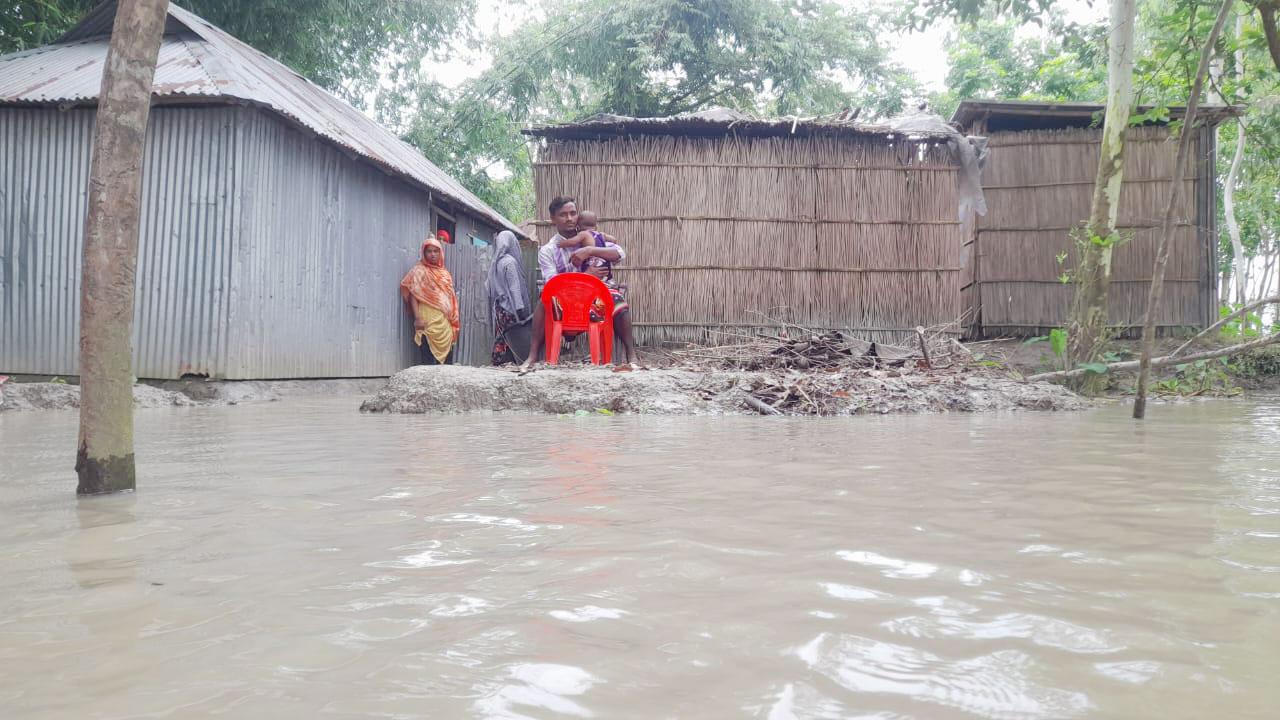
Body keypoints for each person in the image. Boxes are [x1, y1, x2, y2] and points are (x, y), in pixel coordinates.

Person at [521, 196, 640, 369]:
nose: (569, 218)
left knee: (619, 303)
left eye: (573, 213)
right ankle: (532, 356)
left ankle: (631, 353)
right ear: (553, 219)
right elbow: (552, 283)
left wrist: (590, 249)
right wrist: (586, 276)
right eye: (563, 215)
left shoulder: (593, 238)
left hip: (596, 302)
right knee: (544, 301)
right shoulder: (548, 250)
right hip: (564, 302)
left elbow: (619, 253)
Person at [400, 236, 460, 365]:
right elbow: (413, 296)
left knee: (446, 364)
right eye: (429, 251)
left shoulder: (445, 274)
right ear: (424, 253)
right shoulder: (419, 271)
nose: (433, 254)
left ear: (440, 253)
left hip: (445, 322)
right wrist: (417, 318)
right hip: (427, 321)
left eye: (436, 251)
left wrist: (453, 318)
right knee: (427, 361)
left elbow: (450, 298)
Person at [487, 230, 532, 365]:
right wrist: (520, 310)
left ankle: (500, 361)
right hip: (511, 308)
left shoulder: (496, 262)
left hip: (500, 308)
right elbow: (514, 288)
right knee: (515, 336)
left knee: (503, 336)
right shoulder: (510, 262)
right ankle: (512, 361)